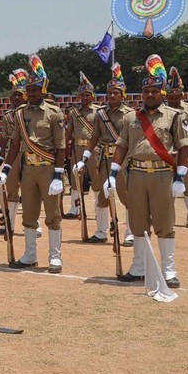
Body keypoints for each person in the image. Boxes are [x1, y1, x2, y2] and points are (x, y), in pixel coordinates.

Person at [112, 54, 188, 293]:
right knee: (138, 223)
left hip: (162, 175)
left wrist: (180, 178)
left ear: (162, 92)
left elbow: (184, 146)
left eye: (154, 91)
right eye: (145, 91)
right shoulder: (131, 118)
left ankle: (168, 269)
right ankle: (139, 267)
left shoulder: (174, 116)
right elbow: (122, 145)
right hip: (136, 174)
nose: (149, 95)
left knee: (165, 223)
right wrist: (113, 173)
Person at [0, 55, 66, 272]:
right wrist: (6, 170)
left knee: (53, 215)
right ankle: (30, 255)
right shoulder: (19, 114)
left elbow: (61, 147)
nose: (30, 94)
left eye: (35, 90)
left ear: (43, 91)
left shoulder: (55, 114)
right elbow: (15, 144)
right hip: (28, 169)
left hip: (47, 168)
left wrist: (58, 175)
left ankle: (55, 257)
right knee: (29, 213)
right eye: (29, 90)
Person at [76, 63, 134, 246]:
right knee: (101, 195)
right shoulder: (101, 114)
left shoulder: (130, 114)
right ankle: (101, 231)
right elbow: (94, 138)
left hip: (122, 160)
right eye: (109, 93)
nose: (112, 96)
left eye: (116, 92)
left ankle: (130, 233)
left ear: (123, 94)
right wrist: (84, 158)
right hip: (103, 159)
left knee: (126, 197)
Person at [164, 68, 188, 227]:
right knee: (167, 186)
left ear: (181, 95)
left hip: (186, 151)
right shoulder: (163, 110)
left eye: (176, 96)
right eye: (170, 96)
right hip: (168, 153)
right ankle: (168, 216)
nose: (173, 99)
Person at [65, 73, 100, 222]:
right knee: (75, 179)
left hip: (93, 148)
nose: (85, 98)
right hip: (77, 147)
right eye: (82, 95)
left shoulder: (99, 111)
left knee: (96, 179)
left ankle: (100, 208)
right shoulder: (74, 112)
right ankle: (74, 208)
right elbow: (68, 131)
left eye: (87, 95)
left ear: (92, 96)